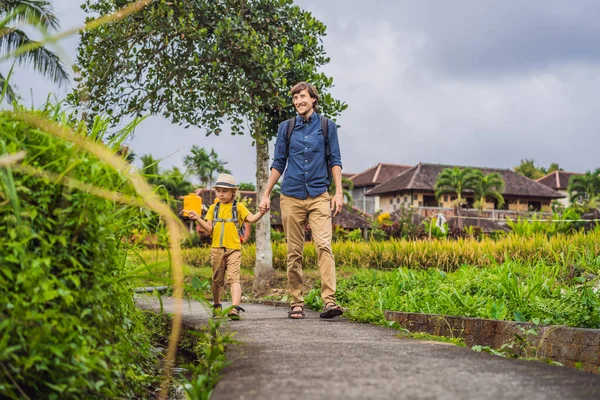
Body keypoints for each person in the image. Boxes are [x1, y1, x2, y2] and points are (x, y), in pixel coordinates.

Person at [259, 82, 344, 320]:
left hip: (318, 194)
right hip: (291, 195)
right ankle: (297, 302)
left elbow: (335, 159)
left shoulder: (327, 126)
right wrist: (266, 193)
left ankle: (329, 301)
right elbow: (278, 163)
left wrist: (338, 192)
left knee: (324, 246)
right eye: (295, 97)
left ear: (313, 100)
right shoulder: (286, 128)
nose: (298, 101)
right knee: (294, 251)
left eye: (303, 96)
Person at [188, 173, 266, 320]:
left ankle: (234, 308)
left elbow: (252, 219)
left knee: (233, 279)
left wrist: (261, 213)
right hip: (216, 249)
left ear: (233, 192)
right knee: (217, 280)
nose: (221, 194)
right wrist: (198, 218)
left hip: (234, 249)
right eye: (218, 191)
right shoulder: (213, 208)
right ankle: (217, 305)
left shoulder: (239, 207)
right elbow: (209, 228)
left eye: (224, 191)